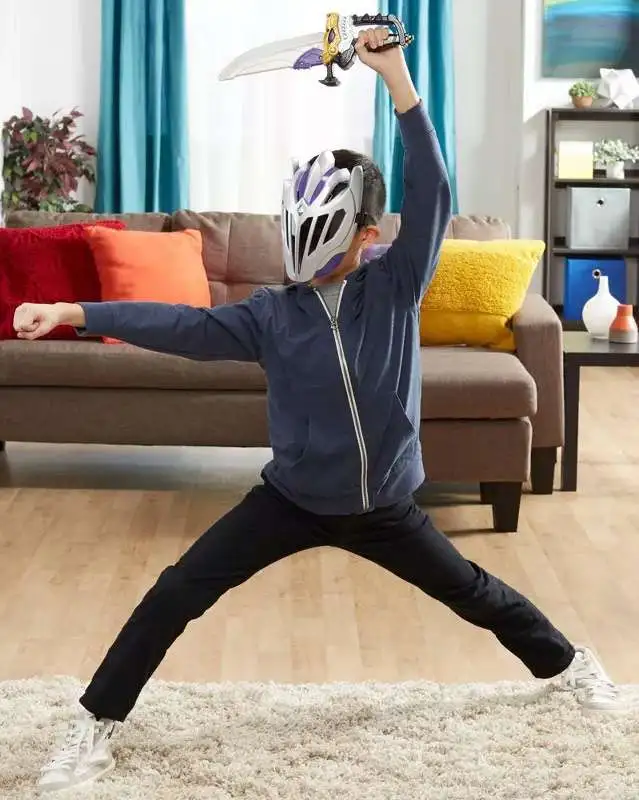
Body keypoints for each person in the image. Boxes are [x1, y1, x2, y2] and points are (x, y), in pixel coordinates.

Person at [14, 28, 625, 795]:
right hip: (292, 501)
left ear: (365, 237)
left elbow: (432, 189)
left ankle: (569, 665)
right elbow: (178, 326)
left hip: (384, 507)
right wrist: (74, 311)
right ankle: (95, 724)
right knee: (176, 591)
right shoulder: (270, 314)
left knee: (471, 590)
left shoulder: (395, 286)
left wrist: (396, 80)